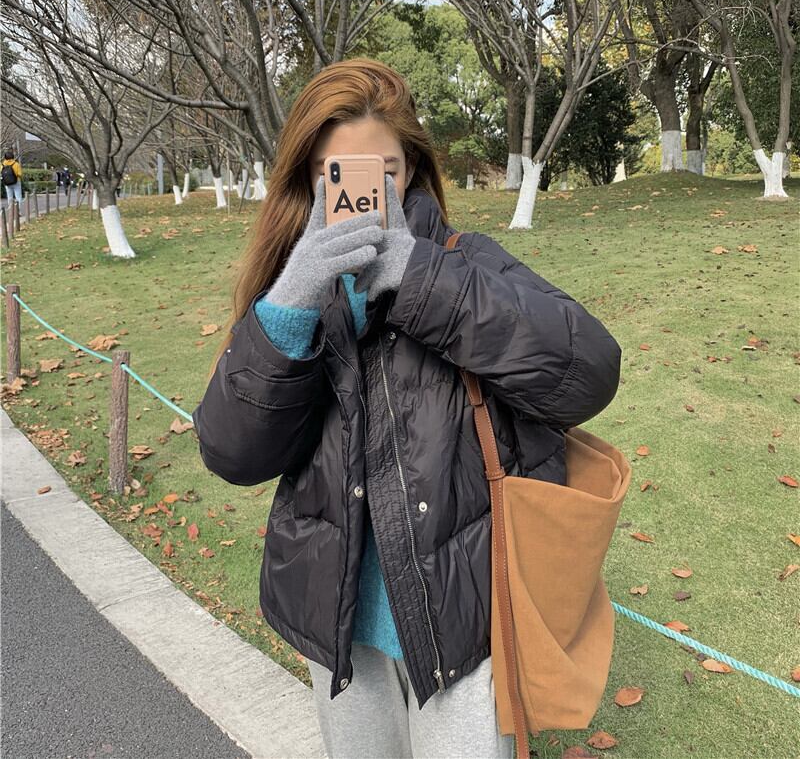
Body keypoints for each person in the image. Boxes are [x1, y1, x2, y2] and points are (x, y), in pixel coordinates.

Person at [191, 58, 622, 759]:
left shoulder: (465, 263)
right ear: (307, 179)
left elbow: (588, 372)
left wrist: (417, 276)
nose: (362, 192)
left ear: (413, 170)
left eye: (384, 171)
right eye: (335, 173)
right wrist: (292, 299)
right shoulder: (291, 292)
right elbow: (232, 452)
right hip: (340, 629)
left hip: (464, 624)